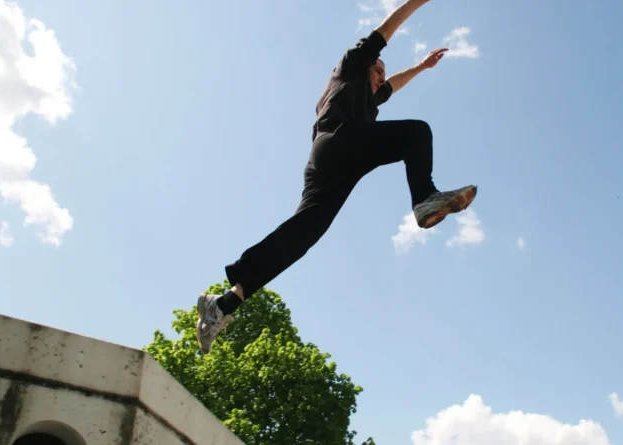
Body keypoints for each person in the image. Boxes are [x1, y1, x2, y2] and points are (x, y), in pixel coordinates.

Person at [195, 0, 477, 354]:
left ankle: (223, 305)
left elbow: (394, 85)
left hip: (334, 166)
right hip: (337, 142)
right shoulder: (349, 70)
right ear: (364, 67)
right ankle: (424, 198)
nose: (380, 79)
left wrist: (421, 67)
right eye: (377, 71)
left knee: (303, 235)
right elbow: (382, 35)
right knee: (416, 133)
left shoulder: (372, 99)